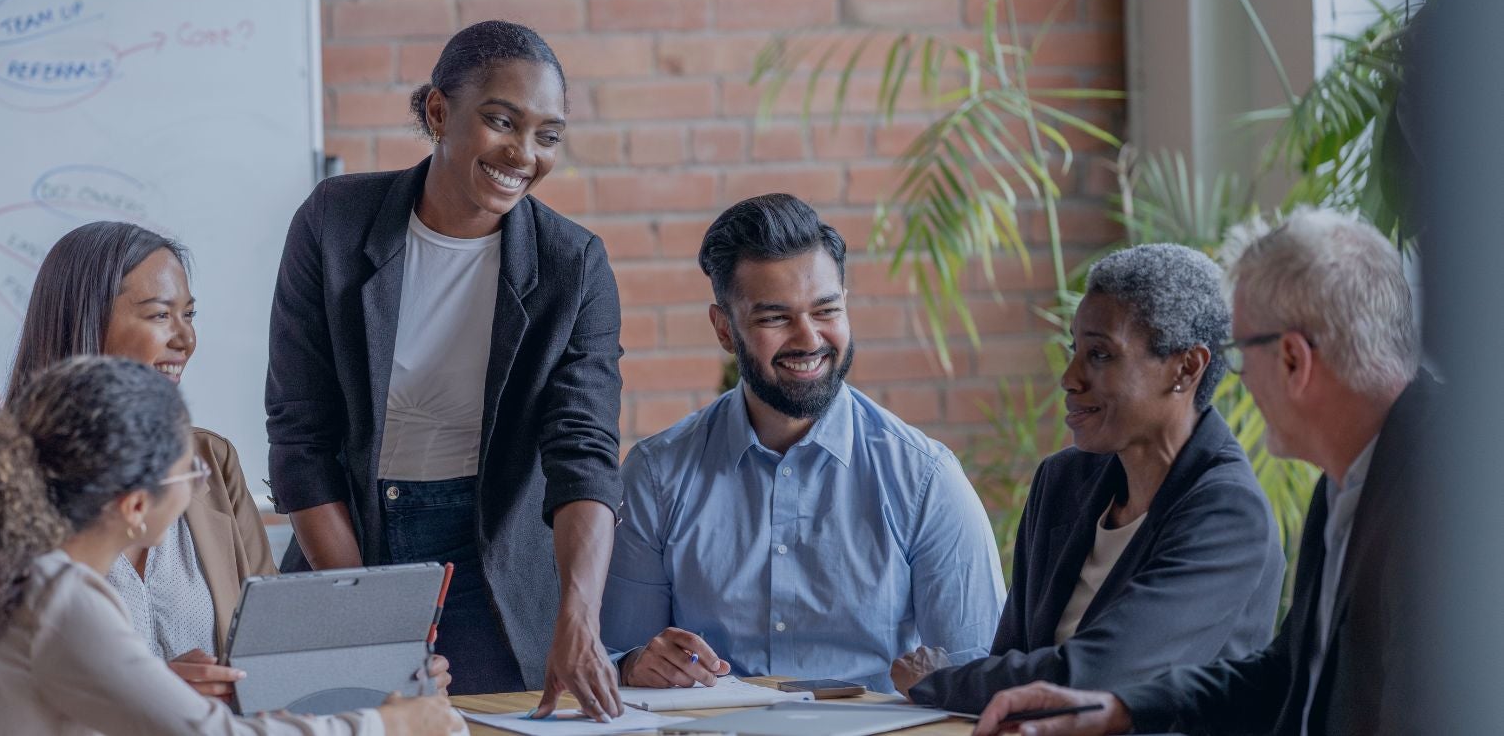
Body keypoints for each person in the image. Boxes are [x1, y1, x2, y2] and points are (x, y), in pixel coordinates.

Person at [266, 20, 623, 712]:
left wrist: (576, 617)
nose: (523, 153)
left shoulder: (572, 266)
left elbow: (583, 453)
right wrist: (367, 614)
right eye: (501, 121)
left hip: (489, 559)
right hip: (345, 539)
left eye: (546, 135)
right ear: (437, 111)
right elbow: (298, 435)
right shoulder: (334, 223)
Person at [973, 208, 1431, 736]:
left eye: (1238, 352)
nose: (1232, 378)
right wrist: (1124, 710)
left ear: (1291, 359)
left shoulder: (1441, 496)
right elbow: (1286, 676)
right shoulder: (1346, 481)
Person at [0, 356, 459, 735]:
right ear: (135, 507)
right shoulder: (56, 597)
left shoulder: (1, 574)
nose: (203, 484)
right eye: (188, 472)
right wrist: (390, 725)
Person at [600, 193, 1005, 694]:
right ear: (725, 329)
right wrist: (637, 664)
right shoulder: (657, 475)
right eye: (775, 318)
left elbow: (981, 682)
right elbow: (618, 657)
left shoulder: (925, 479)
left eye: (825, 310)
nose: (809, 339)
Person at [890, 244, 1283, 714]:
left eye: (1100, 354)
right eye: (1076, 349)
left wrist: (943, 681)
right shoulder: (1060, 482)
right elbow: (1011, 658)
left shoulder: (1229, 514)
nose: (1070, 378)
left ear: (1186, 368)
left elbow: (1098, 675)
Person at [6, 221, 383, 700]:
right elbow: (3, 687)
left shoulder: (210, 460)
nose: (185, 339)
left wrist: (390, 676)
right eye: (161, 315)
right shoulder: (4, 485)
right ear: (86, 321)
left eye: (189, 315)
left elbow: (276, 656)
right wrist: (150, 690)